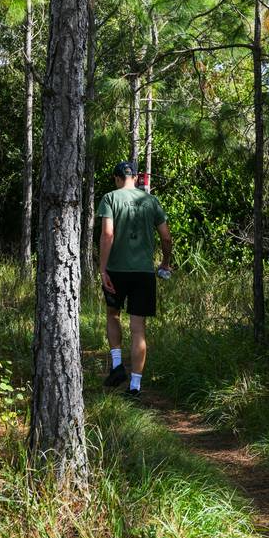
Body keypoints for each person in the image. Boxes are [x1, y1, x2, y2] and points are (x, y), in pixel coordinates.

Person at [98, 160, 173, 397]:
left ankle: (117, 366)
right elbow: (166, 237)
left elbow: (107, 234)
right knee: (138, 329)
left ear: (117, 178)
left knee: (113, 314)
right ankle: (135, 387)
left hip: (116, 271)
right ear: (135, 177)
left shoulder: (110, 198)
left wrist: (103, 269)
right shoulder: (151, 201)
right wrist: (165, 262)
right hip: (144, 273)